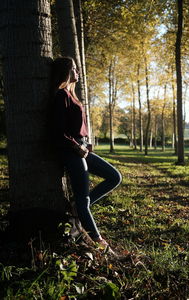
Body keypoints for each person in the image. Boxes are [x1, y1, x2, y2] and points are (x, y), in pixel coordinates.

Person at [52, 57, 122, 247]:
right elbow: (59, 132)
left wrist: (85, 144)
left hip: (81, 148)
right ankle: (99, 242)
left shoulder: (71, 95)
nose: (77, 71)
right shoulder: (61, 95)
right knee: (83, 200)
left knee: (114, 177)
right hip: (72, 151)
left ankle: (77, 208)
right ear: (66, 72)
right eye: (74, 69)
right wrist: (77, 146)